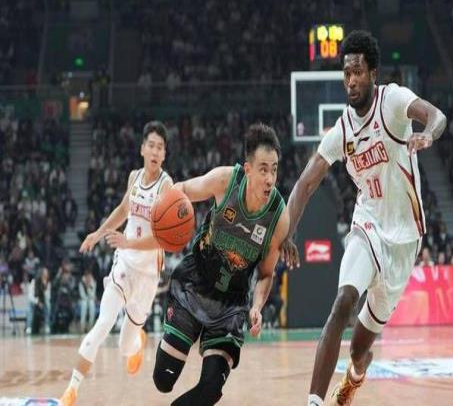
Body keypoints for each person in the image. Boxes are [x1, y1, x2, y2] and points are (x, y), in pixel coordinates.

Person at [281, 30, 447, 406]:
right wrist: (289, 230)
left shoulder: (393, 101)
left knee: (359, 350)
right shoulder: (341, 129)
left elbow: (436, 116)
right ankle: (314, 402)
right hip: (367, 225)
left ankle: (355, 376)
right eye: (346, 74)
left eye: (357, 72)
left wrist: (428, 135)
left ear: (373, 73)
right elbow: (305, 184)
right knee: (343, 301)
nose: (351, 81)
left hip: (404, 240)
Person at [152, 123, 289, 405]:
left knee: (211, 388)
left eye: (274, 170)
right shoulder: (226, 181)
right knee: (163, 380)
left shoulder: (278, 216)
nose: (270, 179)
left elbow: (266, 274)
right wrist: (161, 228)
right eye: (263, 169)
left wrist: (257, 307)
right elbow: (182, 189)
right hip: (195, 284)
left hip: (231, 304)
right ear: (248, 169)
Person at [60, 121, 173, 406]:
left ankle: (138, 341)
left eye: (160, 147)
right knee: (103, 324)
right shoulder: (134, 177)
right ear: (142, 149)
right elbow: (123, 209)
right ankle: (71, 390)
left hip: (147, 275)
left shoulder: (166, 186)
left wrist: (128, 242)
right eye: (151, 145)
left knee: (125, 347)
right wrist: (98, 234)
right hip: (124, 264)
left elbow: (162, 238)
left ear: (164, 154)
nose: (155, 151)